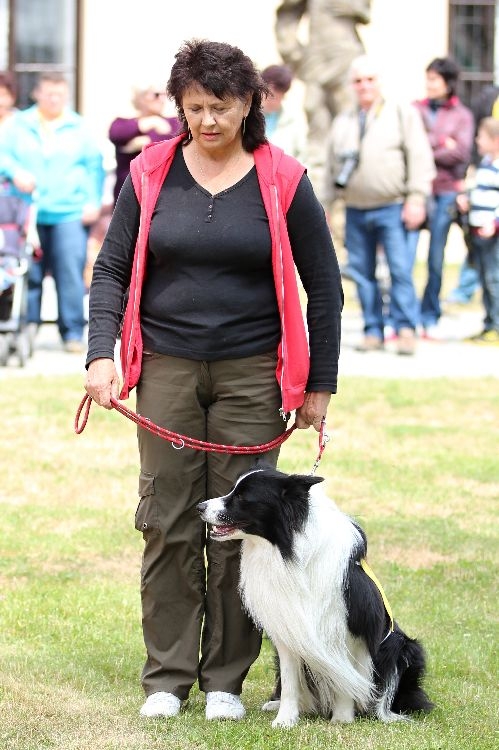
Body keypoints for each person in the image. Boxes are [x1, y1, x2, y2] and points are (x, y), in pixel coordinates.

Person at [84, 39, 343, 721]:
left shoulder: (282, 177)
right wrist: (99, 356)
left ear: (249, 103)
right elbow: (110, 269)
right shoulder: (149, 172)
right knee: (167, 524)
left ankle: (226, 679)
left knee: (242, 529)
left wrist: (320, 384)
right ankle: (167, 678)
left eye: (219, 107)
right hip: (165, 366)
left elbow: (323, 288)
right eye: (193, 107)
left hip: (254, 371)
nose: (205, 121)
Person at [324, 55, 435, 355]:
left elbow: (419, 157)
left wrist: (416, 198)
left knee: (400, 270)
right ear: (352, 85)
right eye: (358, 81)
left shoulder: (401, 114)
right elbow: (332, 167)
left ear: (379, 82)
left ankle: (405, 329)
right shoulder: (344, 120)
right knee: (362, 273)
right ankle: (372, 329)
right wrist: (325, 205)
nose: (364, 86)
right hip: (355, 209)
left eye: (370, 79)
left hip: (393, 206)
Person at [0, 72, 105, 353]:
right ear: (37, 94)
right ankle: (26, 328)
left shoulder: (79, 127)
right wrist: (14, 171)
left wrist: (92, 201)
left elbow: (94, 167)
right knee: (27, 272)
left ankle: (71, 332)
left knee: (69, 272)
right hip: (28, 213)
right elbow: (3, 155)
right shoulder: (18, 125)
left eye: (60, 93)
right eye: (49, 93)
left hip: (69, 212)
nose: (54, 99)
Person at [275, 0, 371, 200]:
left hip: (346, 55)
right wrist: (291, 50)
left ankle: (345, 197)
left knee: (349, 125)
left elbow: (364, 12)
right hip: (317, 59)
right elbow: (287, 13)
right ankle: (317, 198)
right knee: (316, 124)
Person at [413, 57, 474, 338]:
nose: (429, 84)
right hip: (417, 190)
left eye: (434, 79)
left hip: (446, 193)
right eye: (427, 78)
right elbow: (411, 145)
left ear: (448, 83)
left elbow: (461, 154)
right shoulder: (415, 109)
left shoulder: (462, 115)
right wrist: (441, 145)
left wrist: (428, 145)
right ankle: (406, 315)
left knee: (436, 258)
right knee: (404, 257)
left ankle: (430, 313)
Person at [456, 117, 499, 344]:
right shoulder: (484, 164)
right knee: (484, 278)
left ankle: (497, 325)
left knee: (494, 279)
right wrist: (468, 199)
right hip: (478, 233)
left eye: (481, 137)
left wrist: (494, 223)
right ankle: (489, 323)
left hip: (492, 233)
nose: (477, 141)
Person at [108, 83, 181, 205]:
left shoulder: (174, 123)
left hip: (163, 196)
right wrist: (150, 123)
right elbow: (116, 134)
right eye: (156, 95)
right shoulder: (122, 123)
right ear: (141, 98)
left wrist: (146, 142)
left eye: (165, 95)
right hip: (129, 197)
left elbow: (175, 142)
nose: (162, 99)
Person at [260, 63, 307, 161]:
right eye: (268, 95)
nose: (271, 101)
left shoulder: (293, 120)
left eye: (276, 98)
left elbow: (302, 157)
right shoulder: (245, 115)